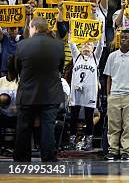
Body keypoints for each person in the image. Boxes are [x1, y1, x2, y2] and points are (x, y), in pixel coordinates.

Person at [13, 17, 65, 162]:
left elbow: (17, 68)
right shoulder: (58, 45)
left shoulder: (22, 45)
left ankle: (22, 158)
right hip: (51, 93)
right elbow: (60, 68)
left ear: (33, 28)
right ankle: (48, 157)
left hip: (28, 93)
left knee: (24, 128)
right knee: (48, 127)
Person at [103, 28, 129, 161]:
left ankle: (125, 151)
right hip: (114, 95)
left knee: (128, 126)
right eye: (122, 37)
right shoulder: (112, 56)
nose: (123, 39)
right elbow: (108, 77)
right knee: (113, 126)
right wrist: (109, 94)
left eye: (126, 37)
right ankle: (113, 150)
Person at [67, 38, 104, 152]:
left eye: (89, 44)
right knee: (73, 117)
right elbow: (71, 42)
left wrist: (100, 31)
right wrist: (72, 28)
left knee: (89, 118)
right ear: (80, 47)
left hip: (90, 93)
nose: (86, 46)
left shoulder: (95, 58)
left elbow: (101, 45)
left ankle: (88, 142)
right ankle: (72, 141)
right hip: (76, 92)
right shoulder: (76, 57)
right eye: (84, 44)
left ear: (93, 48)